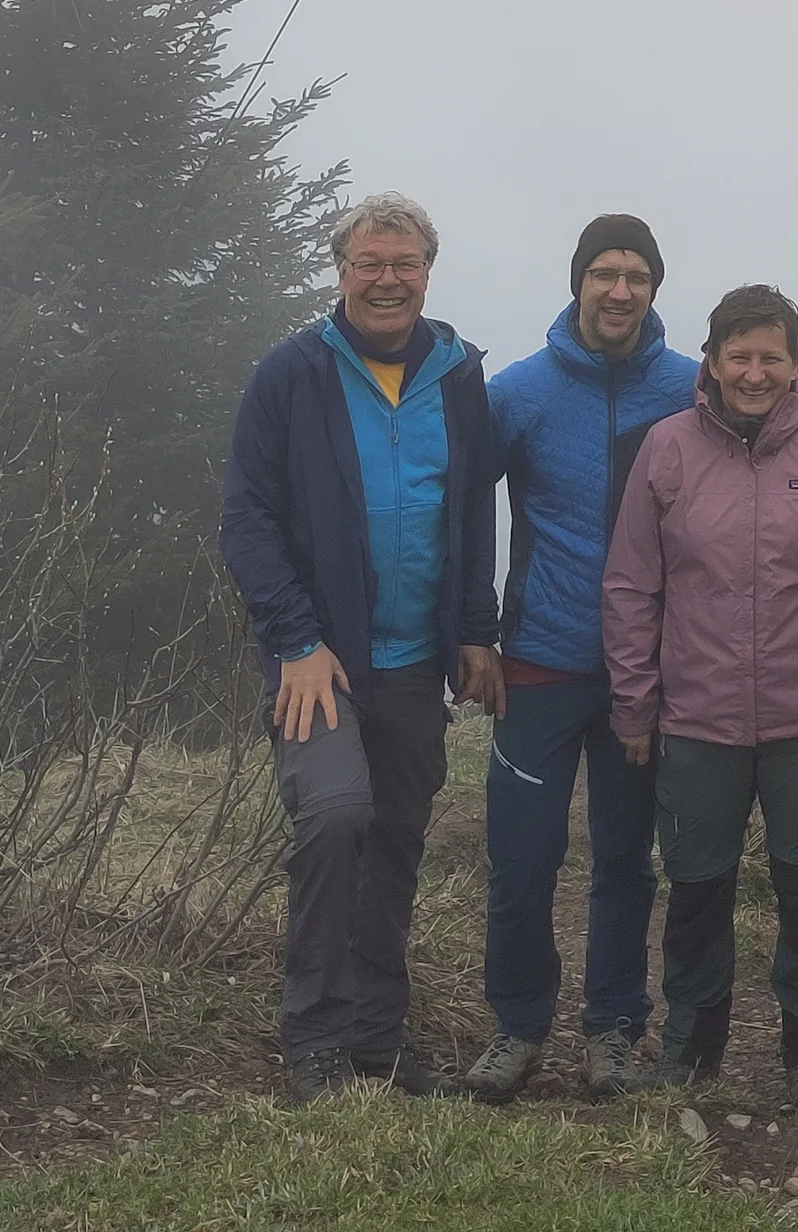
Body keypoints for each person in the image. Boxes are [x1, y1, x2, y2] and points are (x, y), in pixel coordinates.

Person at [220, 193, 503, 1107]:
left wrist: (473, 631)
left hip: (416, 662)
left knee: (396, 839)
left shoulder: (458, 377)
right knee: (337, 813)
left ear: (429, 270)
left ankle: (379, 1040)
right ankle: (312, 1038)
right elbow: (247, 519)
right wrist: (295, 641)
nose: (388, 279)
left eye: (405, 263)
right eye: (369, 263)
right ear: (340, 271)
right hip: (321, 661)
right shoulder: (291, 374)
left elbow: (468, 511)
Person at [602, 283, 798, 1112]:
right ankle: (691, 1046)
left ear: (796, 364)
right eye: (740, 356)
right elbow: (632, 586)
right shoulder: (666, 448)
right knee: (697, 890)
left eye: (771, 356)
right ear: (713, 361)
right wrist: (634, 705)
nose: (755, 372)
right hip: (698, 717)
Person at [466, 214, 700, 1104]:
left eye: (636, 275)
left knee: (623, 860)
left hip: (647, 671)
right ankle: (518, 1027)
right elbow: (461, 515)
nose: (619, 291)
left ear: (654, 288)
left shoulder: (691, 390)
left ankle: (613, 1030)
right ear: (578, 283)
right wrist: (474, 630)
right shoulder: (520, 393)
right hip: (537, 661)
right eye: (603, 273)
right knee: (522, 861)